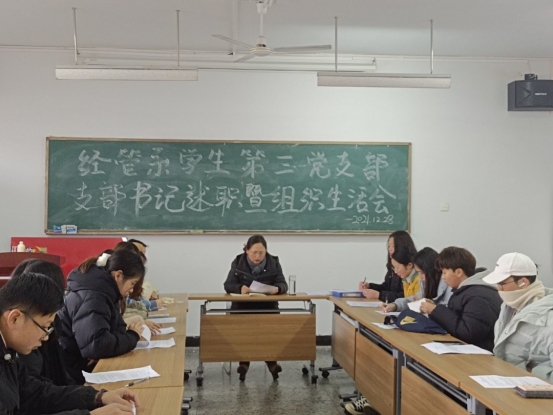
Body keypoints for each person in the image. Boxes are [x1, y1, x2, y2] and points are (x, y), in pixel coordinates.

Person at [0, 272, 140, 414]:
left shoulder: (8, 351)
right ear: (15, 319)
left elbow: (37, 394)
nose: (45, 337)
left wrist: (97, 397)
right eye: (44, 327)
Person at [58, 250, 145, 384]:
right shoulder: (94, 296)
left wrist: (102, 350)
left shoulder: (106, 292)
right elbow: (97, 345)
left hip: (82, 364)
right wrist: (133, 336)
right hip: (74, 373)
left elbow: (115, 331)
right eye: (132, 283)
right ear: (118, 275)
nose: (132, 290)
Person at [223, 235, 288, 382]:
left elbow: (283, 283)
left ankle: (272, 363)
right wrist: (240, 288)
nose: (257, 257)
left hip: (267, 307)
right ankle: (244, 364)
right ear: (247, 250)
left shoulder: (273, 262)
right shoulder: (238, 262)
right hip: (243, 307)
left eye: (261, 253)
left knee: (269, 333)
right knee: (244, 333)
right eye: (254, 253)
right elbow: (228, 284)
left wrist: (277, 289)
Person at [483, 252, 553, 381]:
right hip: (506, 382)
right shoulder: (509, 307)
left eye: (502, 283)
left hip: (533, 389)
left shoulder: (548, 317)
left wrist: (531, 372)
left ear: (523, 282)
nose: (499, 289)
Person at [420, 247, 501, 352]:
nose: (443, 277)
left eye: (444, 272)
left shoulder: (478, 296)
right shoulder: (465, 291)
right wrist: (435, 309)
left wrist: (436, 310)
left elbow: (468, 332)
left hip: (480, 355)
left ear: (458, 272)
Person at [10, 259, 74, 386]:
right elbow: (35, 391)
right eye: (45, 327)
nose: (45, 337)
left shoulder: (49, 325)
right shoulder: (23, 345)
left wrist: (88, 394)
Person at [383, 247, 452, 313]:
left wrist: (432, 308)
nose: (420, 276)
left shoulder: (449, 285)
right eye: (418, 272)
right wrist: (395, 305)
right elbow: (412, 300)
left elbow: (449, 313)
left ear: (431, 270)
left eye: (422, 273)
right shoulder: (423, 282)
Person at [359, 230, 416, 302]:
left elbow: (405, 297)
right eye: (389, 246)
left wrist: (380, 295)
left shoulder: (410, 271)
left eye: (393, 246)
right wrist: (370, 286)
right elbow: (387, 287)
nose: (390, 249)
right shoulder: (393, 266)